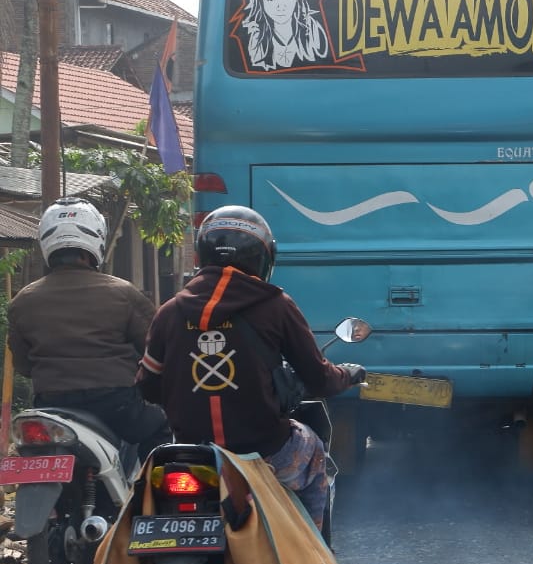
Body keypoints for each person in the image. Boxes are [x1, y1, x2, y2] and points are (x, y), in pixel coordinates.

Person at [136, 206, 364, 528]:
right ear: (263, 257)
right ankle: (316, 562)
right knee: (314, 456)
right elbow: (319, 379)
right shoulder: (275, 305)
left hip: (190, 454)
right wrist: (347, 375)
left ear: (201, 255)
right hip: (266, 451)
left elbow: (147, 386)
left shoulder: (170, 312)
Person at [7, 197, 172, 457]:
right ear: (96, 240)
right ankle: (146, 497)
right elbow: (156, 350)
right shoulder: (123, 293)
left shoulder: (22, 301)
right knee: (159, 428)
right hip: (116, 403)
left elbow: (24, 366)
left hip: (50, 405)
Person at [244, 0, 330, 71]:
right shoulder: (255, 34)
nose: (280, 6)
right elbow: (254, 73)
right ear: (261, 2)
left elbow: (322, 68)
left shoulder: (312, 29)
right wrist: (256, 54)